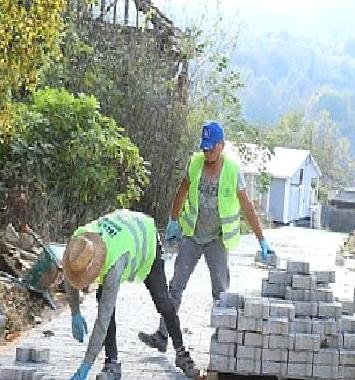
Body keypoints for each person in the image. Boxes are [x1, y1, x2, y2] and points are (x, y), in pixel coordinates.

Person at [138, 121, 275, 351]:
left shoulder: (232, 170)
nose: (207, 152)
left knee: (220, 290)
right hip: (192, 235)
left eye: (211, 148)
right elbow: (182, 189)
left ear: (222, 145)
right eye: (204, 148)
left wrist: (261, 239)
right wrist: (173, 220)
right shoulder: (195, 163)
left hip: (217, 239)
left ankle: (224, 341)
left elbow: (247, 206)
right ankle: (163, 335)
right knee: (176, 286)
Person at [63, 209, 198, 380]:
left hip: (146, 241)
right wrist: (75, 312)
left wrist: (86, 365)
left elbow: (102, 320)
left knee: (163, 302)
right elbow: (69, 276)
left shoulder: (113, 264)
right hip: (122, 232)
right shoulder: (79, 243)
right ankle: (112, 363)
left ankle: (182, 354)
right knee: (102, 298)